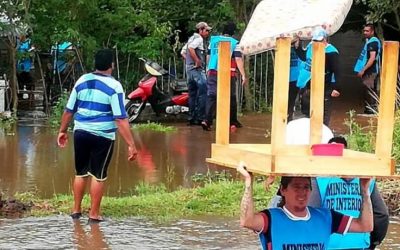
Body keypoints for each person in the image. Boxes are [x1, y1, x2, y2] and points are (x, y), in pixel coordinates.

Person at [57, 49, 138, 223]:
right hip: (103, 136)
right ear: (112, 65)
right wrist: (131, 144)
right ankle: (94, 214)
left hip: (80, 132)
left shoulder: (82, 80)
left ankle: (76, 210)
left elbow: (68, 110)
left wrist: (62, 131)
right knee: (98, 174)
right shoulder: (115, 86)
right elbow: (120, 118)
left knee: (81, 173)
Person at [238, 163, 373, 250]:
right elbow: (247, 221)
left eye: (306, 187)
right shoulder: (270, 218)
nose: (302, 193)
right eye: (296, 187)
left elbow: (365, 226)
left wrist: (365, 192)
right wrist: (249, 183)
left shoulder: (326, 217)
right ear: (283, 190)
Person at [309, 136, 389, 250]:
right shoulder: (366, 179)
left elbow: (311, 213)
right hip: (360, 244)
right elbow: (382, 215)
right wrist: (374, 243)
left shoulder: (319, 178)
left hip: (329, 244)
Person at [201, 22, 247, 131]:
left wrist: (208, 68)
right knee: (231, 97)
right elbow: (238, 59)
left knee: (211, 95)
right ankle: (232, 121)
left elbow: (208, 56)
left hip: (212, 71)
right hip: (228, 73)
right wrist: (243, 74)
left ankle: (207, 121)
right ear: (233, 33)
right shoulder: (235, 43)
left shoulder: (213, 41)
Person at [297, 27, 341, 126]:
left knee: (323, 114)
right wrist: (297, 47)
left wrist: (336, 88)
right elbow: (304, 57)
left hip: (325, 86)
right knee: (307, 112)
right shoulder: (310, 46)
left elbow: (337, 71)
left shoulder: (331, 52)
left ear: (325, 40)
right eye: (314, 40)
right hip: (309, 84)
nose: (316, 43)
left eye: (319, 40)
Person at [185, 22, 211, 126]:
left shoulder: (191, 38)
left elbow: (183, 52)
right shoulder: (199, 39)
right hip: (197, 70)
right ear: (200, 30)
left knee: (192, 94)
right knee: (204, 91)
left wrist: (189, 62)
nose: (208, 32)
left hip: (189, 71)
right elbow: (191, 48)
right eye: (206, 30)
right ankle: (201, 118)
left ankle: (191, 118)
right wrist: (197, 61)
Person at [354, 24, 381, 115]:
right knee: (368, 90)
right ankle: (369, 110)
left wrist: (363, 70)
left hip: (371, 71)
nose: (365, 32)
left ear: (372, 31)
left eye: (367, 31)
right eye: (364, 31)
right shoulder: (369, 41)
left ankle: (371, 111)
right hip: (370, 70)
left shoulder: (373, 42)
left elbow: (372, 58)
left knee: (370, 90)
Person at [16, 34, 35, 100]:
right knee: (19, 85)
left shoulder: (29, 42)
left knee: (30, 85)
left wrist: (30, 52)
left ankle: (30, 99)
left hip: (27, 67)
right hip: (19, 68)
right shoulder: (18, 43)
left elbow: (32, 54)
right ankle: (20, 99)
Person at [287, 38, 301, 121]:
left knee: (287, 99)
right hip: (295, 79)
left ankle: (287, 117)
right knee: (291, 100)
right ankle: (289, 117)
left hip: (284, 78)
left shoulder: (282, 50)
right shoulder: (299, 52)